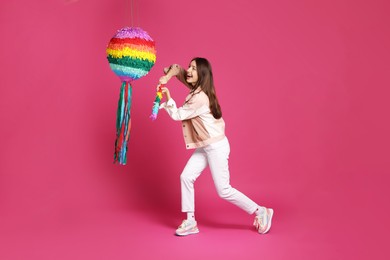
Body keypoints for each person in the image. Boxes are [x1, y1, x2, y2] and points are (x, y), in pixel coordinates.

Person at [158, 57, 273, 236]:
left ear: (202, 75)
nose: (189, 70)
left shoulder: (199, 98)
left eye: (194, 69)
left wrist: (167, 98)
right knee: (186, 177)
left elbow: (178, 114)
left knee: (223, 190)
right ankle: (190, 222)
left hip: (216, 147)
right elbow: (178, 69)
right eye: (190, 66)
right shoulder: (198, 89)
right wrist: (169, 74)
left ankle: (261, 211)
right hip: (206, 145)